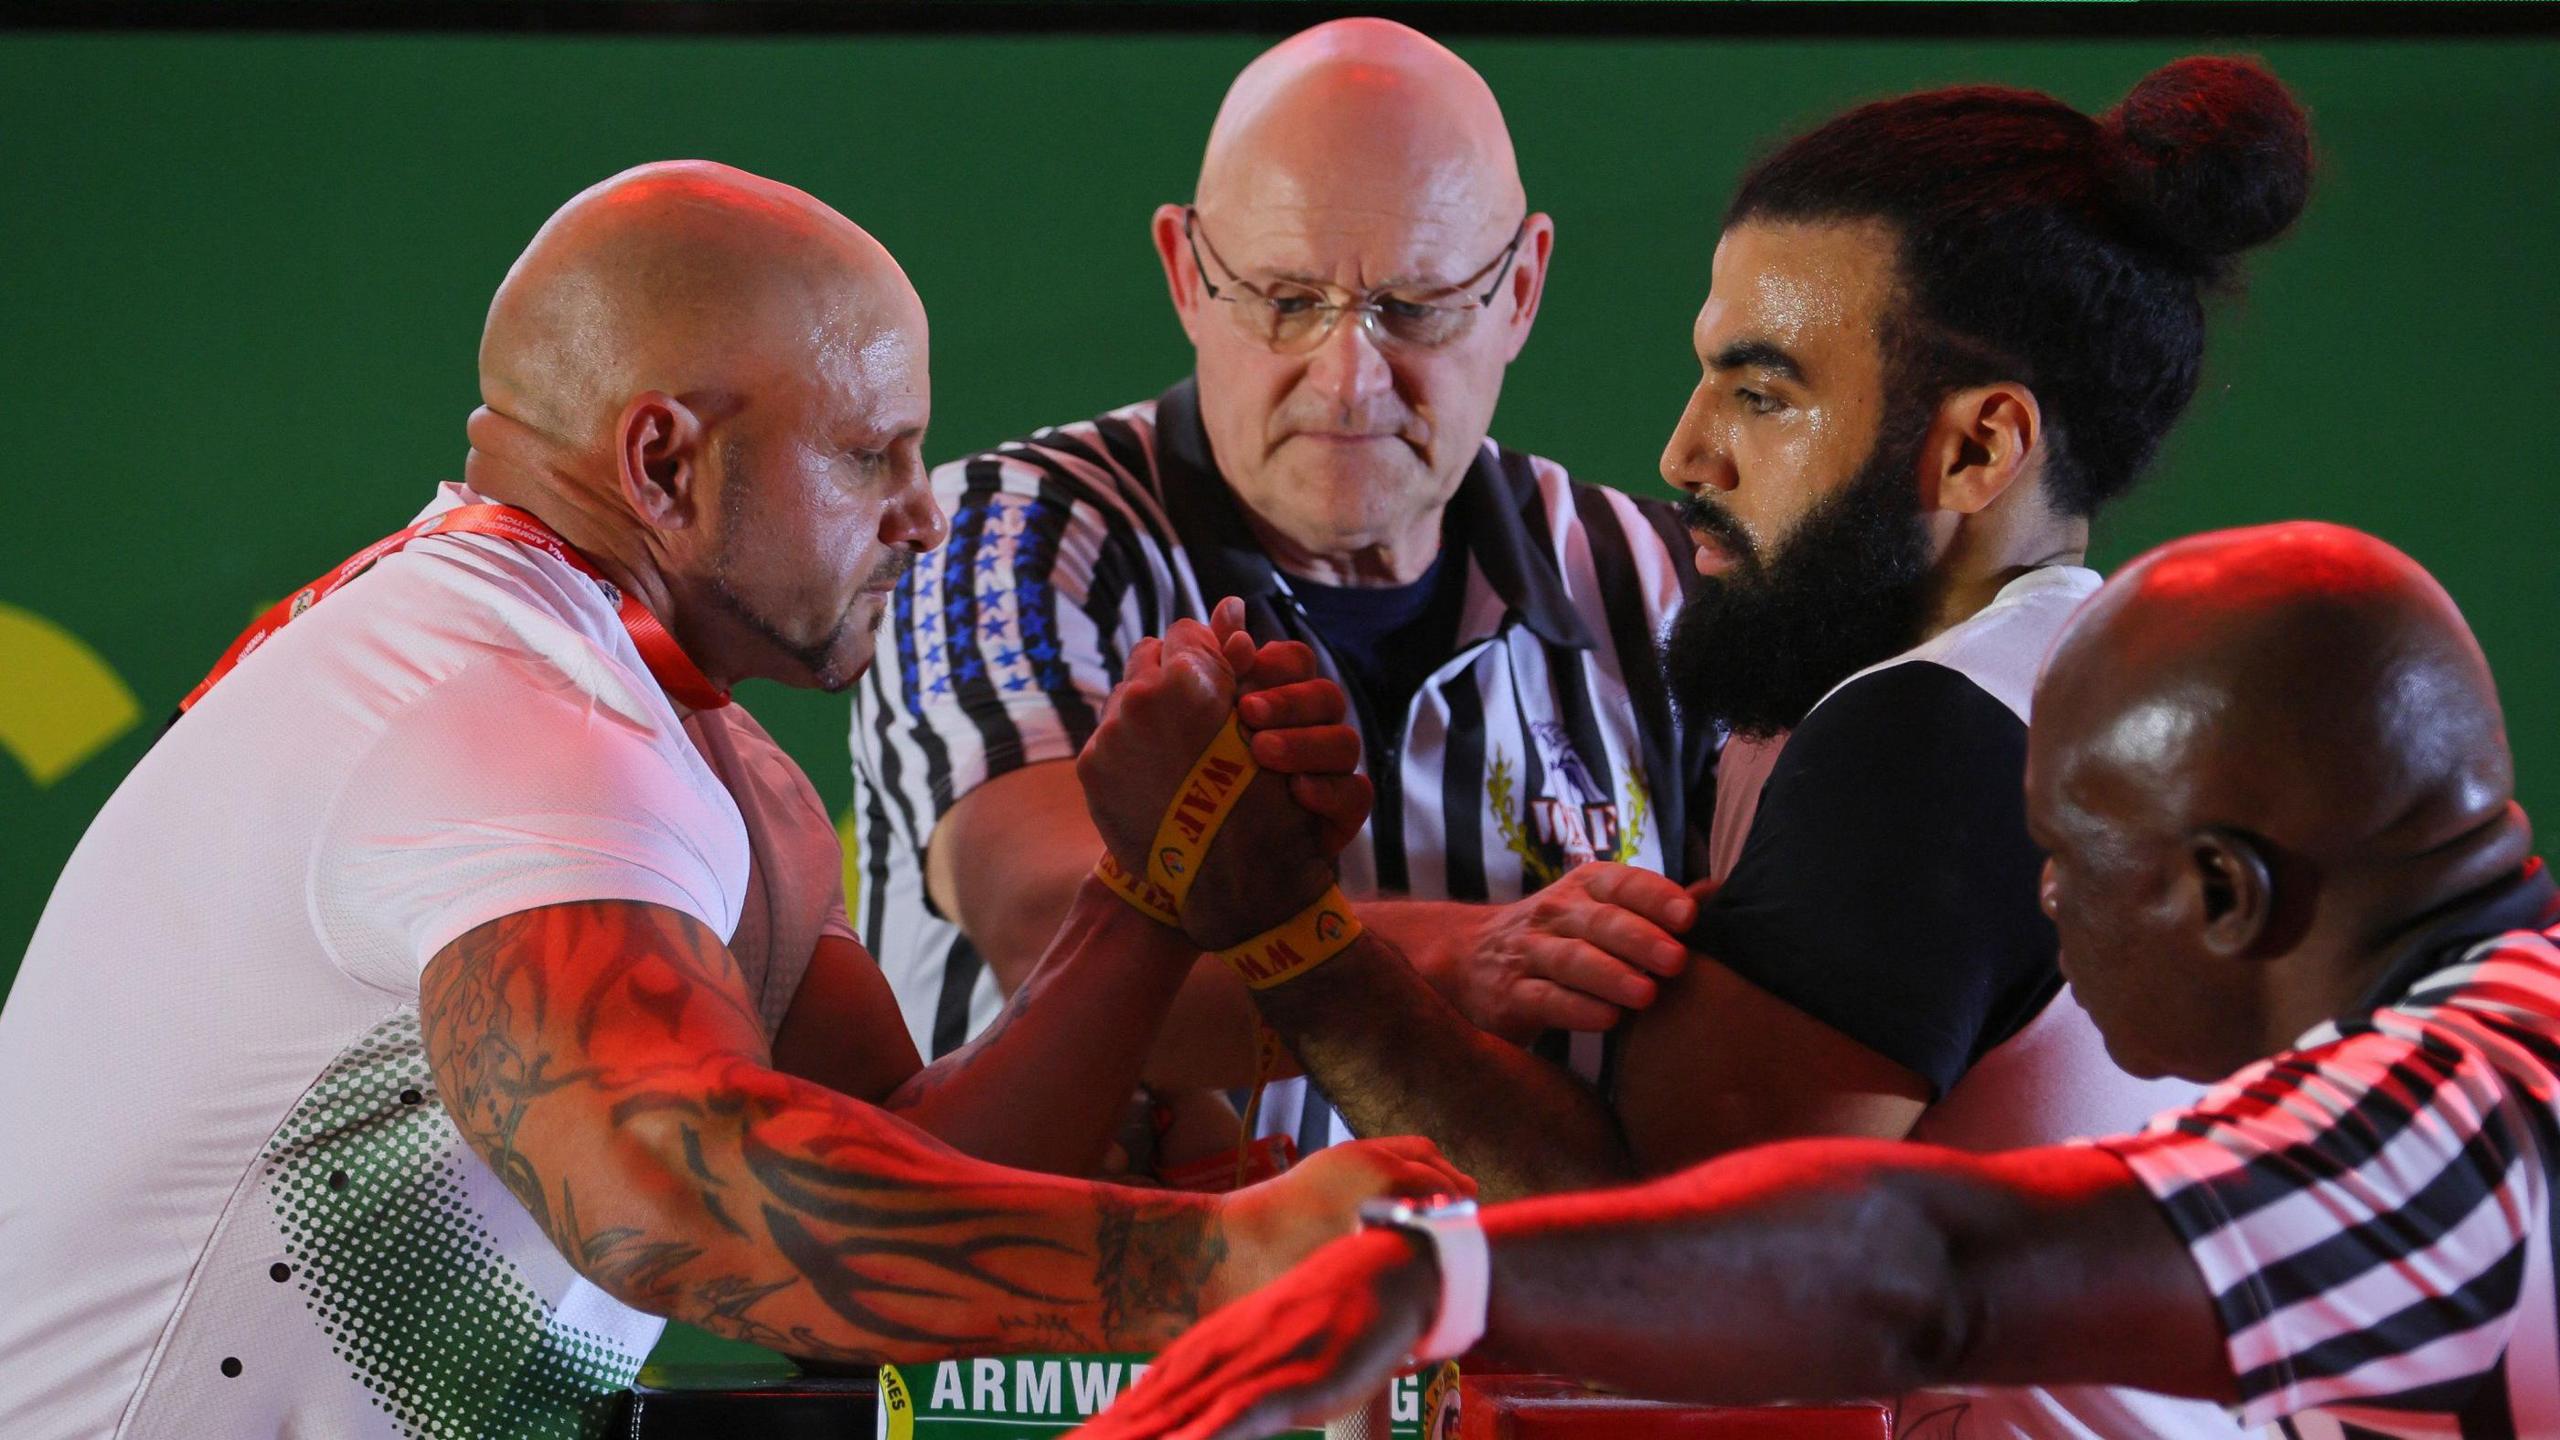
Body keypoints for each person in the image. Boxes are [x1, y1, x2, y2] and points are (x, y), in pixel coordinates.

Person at [0, 162, 1461, 1440]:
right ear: (663, 461)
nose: (923, 510)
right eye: (869, 452)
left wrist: (1147, 900)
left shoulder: (694, 759)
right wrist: (1220, 1270)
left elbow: (898, 1183)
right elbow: (663, 1190)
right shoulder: (507, 709)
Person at [1117, 54, 2315, 1439]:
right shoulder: (2078, 690)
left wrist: (1288, 933)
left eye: (1763, 394)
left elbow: (1665, 1285)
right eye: (1707, 379)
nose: (1685, 452)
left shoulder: (1934, 738)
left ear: (1981, 451)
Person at [1072, 521, 2560, 1440]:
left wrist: (1436, 1272)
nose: (2044, 899)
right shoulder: (2505, 1037)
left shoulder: (2443, 1132)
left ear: (2225, 894)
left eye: (2070, 858)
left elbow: (1934, 1269)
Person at [848, 17, 1711, 1164]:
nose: (1349, 379)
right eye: (1285, 298)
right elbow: (1040, 921)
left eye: (1416, 307)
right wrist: (1473, 954)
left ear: (1522, 289)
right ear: (1185, 274)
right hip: (1081, 1339)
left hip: (1526, 1334)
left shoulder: (1656, 586)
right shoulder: (1006, 534)